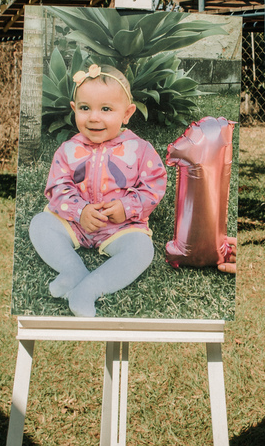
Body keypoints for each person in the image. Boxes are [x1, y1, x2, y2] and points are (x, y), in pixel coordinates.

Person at [28, 64, 167, 317]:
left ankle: (89, 289)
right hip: (74, 223)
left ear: (127, 113)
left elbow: (154, 187)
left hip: (121, 228)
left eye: (105, 109)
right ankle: (73, 271)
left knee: (142, 249)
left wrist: (127, 207)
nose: (94, 117)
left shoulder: (140, 149)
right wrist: (79, 211)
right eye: (85, 108)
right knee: (40, 224)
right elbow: (57, 186)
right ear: (74, 110)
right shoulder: (67, 150)